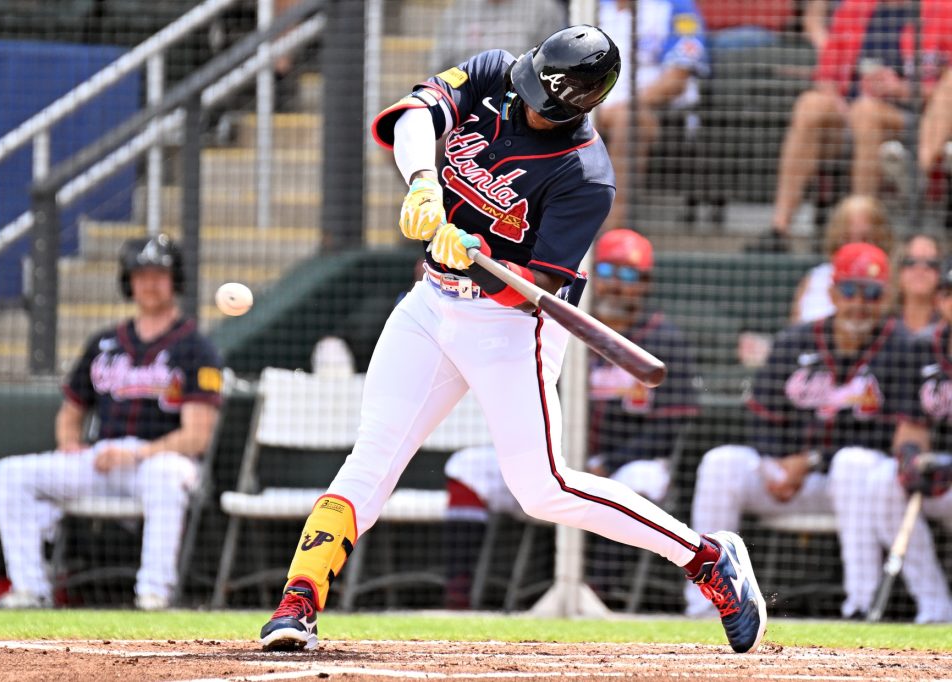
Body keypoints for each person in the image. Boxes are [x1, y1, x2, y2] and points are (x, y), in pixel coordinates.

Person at [258, 25, 766, 655]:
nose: (522, 102)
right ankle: (298, 601)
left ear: (576, 104)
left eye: (538, 99)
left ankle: (707, 558)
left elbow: (534, 287)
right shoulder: (498, 71)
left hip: (511, 327)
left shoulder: (586, 175)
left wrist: (473, 257)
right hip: (430, 305)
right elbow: (413, 114)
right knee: (374, 455)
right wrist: (422, 180)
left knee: (543, 488)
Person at [441, 229, 700, 608]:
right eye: (607, 271)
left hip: (627, 462)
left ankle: (597, 591)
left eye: (628, 275)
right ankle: (457, 599)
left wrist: (607, 463)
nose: (614, 284)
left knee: (639, 480)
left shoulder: (663, 338)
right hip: (552, 456)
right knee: (466, 466)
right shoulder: (561, 326)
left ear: (645, 285)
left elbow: (672, 425)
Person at [0, 235, 224, 611]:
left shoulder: (196, 347)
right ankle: (29, 588)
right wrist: (70, 444)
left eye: (159, 274)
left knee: (164, 475)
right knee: (11, 473)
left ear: (175, 279)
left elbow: (197, 437)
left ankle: (154, 592)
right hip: (104, 458)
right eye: (141, 274)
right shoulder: (104, 342)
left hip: (162, 461)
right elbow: (71, 411)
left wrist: (137, 454)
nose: (149, 283)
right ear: (128, 281)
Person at [685, 243, 909, 619]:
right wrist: (775, 465)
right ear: (834, 292)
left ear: (885, 297)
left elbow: (891, 434)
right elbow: (759, 416)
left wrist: (810, 460)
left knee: (853, 464)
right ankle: (705, 605)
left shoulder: (900, 346)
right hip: (786, 480)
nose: (860, 302)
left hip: (850, 488)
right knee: (719, 462)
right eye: (850, 290)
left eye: (871, 293)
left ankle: (862, 606)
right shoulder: (795, 341)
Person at [750, 0, 952, 253]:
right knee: (810, 104)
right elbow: (826, 76)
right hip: (852, 112)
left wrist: (901, 89)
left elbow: (947, 87)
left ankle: (861, 231)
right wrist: (840, 104)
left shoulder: (941, 9)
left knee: (865, 112)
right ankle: (779, 229)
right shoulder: (854, 7)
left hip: (914, 121)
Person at [869, 259, 952, 623]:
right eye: (948, 293)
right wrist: (911, 456)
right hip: (943, 477)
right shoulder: (922, 348)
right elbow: (911, 426)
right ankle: (935, 607)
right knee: (884, 482)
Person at [596, 0, 710, 230]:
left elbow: (677, 78)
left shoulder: (677, 7)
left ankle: (608, 233)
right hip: (592, 106)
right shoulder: (594, 7)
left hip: (656, 111)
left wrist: (620, 105)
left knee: (628, 120)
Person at [789, 194, 894, 324]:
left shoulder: (893, 281)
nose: (856, 247)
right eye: (848, 239)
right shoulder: (815, 278)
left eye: (865, 239)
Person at [429, 0, 567, 75]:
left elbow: (553, 66)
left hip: (520, 101)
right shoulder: (458, 10)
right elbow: (438, 68)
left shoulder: (544, 8)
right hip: (465, 99)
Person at [891, 232, 942, 337]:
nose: (921, 269)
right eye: (911, 262)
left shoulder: (947, 327)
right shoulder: (882, 326)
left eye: (931, 263)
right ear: (899, 271)